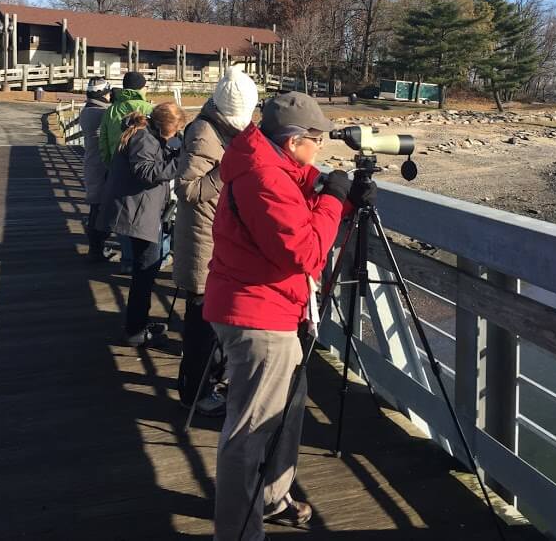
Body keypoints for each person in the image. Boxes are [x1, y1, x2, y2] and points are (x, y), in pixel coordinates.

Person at [203, 91, 376, 540]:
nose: (320, 149)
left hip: (270, 304)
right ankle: (239, 532)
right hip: (258, 313)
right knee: (250, 429)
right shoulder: (264, 176)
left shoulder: (269, 163)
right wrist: (335, 201)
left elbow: (294, 210)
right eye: (316, 140)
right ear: (295, 140)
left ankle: (271, 498)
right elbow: (305, 251)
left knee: (281, 414)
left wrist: (344, 197)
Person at [173, 65, 258, 414]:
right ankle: (196, 394)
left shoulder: (217, 128)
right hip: (202, 242)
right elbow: (188, 187)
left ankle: (205, 383)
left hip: (215, 238)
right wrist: (229, 169)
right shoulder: (204, 133)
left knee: (212, 323)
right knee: (202, 327)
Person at [99, 102, 187, 346]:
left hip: (140, 210)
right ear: (162, 126)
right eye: (175, 129)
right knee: (145, 270)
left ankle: (138, 322)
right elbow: (146, 172)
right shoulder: (143, 138)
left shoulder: (145, 134)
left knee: (146, 268)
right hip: (137, 213)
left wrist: (176, 147)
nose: (177, 133)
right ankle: (135, 329)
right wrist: (181, 162)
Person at [98, 71, 154, 273]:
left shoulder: (111, 111)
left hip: (117, 170)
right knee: (145, 215)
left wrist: (110, 164)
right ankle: (145, 262)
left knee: (122, 216)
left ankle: (127, 260)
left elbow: (102, 143)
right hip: (145, 171)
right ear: (141, 88)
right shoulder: (150, 110)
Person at [78, 77, 113, 263]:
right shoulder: (101, 113)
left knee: (96, 208)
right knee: (99, 210)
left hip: (92, 164)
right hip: (101, 167)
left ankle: (96, 248)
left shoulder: (87, 111)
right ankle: (96, 250)